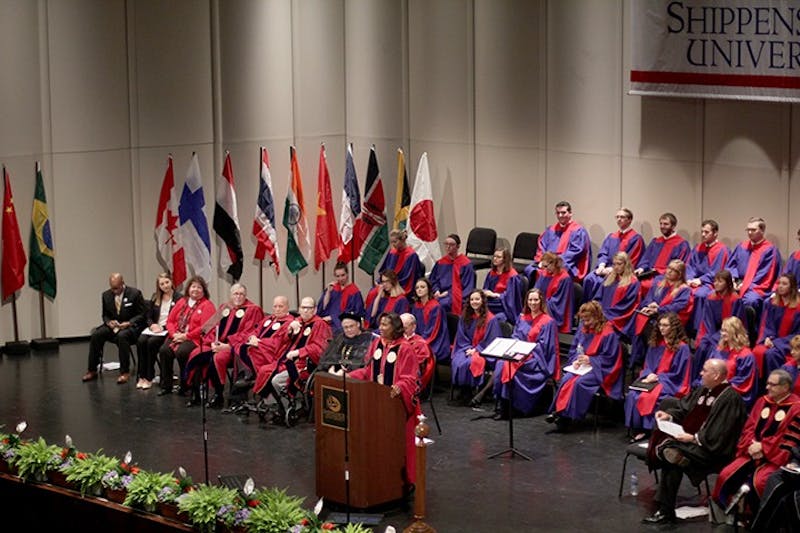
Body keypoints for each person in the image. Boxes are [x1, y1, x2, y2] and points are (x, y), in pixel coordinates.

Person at [641, 358, 747, 525]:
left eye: (705, 371)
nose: (700, 373)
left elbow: (721, 433)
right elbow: (684, 408)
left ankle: (666, 511)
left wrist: (693, 438)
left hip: (713, 450)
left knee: (671, 453)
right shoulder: (704, 390)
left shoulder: (730, 398)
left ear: (717, 375)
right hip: (692, 443)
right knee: (671, 455)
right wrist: (669, 415)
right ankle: (666, 509)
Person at [713, 369, 800, 523]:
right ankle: (734, 513)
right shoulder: (762, 401)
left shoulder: (796, 408)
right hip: (751, 451)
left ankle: (759, 519)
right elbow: (749, 427)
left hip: (776, 458)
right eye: (767, 383)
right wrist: (751, 445)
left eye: (772, 385)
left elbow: (790, 440)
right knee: (725, 474)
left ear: (785, 387)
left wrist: (763, 448)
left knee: (760, 482)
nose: (767, 387)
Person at [346, 312, 420, 486]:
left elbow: (411, 378)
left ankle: (398, 481)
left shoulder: (405, 348)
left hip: (396, 405)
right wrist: (350, 376)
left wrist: (400, 387)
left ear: (395, 328)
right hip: (375, 402)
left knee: (396, 446)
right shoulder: (377, 344)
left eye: (385, 325)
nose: (381, 328)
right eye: (380, 324)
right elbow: (369, 371)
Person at [251, 297, 331, 424]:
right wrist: (289, 331)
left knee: (276, 380)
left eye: (308, 308)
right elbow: (281, 341)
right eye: (302, 308)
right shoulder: (297, 321)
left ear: (314, 310)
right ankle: (275, 405)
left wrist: (299, 352)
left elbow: (320, 348)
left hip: (304, 364)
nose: (305, 311)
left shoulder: (319, 324)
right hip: (286, 360)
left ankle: (291, 406)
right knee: (265, 370)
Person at [546, 301, 623, 432]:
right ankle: (559, 412)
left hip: (601, 370)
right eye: (583, 320)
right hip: (584, 366)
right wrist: (576, 360)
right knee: (566, 379)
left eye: (588, 320)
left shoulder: (608, 333)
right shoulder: (583, 329)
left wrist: (591, 360)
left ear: (597, 316)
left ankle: (566, 417)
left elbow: (611, 358)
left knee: (579, 383)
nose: (585, 323)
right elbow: (575, 349)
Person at [623, 312, 692, 441]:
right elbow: (647, 364)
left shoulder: (682, 348)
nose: (662, 328)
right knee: (633, 394)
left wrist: (658, 378)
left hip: (671, 382)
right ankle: (638, 428)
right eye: (660, 325)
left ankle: (649, 430)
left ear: (674, 327)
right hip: (652, 379)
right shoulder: (656, 343)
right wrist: (648, 374)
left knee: (648, 396)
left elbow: (679, 373)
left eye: (666, 325)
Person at [493, 288, 559, 420]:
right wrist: (516, 347)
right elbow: (515, 336)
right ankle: (504, 405)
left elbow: (545, 346)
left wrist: (527, 351)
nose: (533, 303)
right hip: (520, 353)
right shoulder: (522, 317)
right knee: (501, 364)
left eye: (536, 300)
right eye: (530, 300)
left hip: (536, 358)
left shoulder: (548, 322)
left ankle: (515, 408)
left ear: (541, 301)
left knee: (510, 367)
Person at [196, 283, 263, 408]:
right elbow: (209, 327)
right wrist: (212, 342)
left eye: (241, 294)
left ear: (245, 295)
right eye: (235, 294)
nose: (238, 297)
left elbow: (249, 333)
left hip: (236, 349)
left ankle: (218, 394)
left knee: (218, 358)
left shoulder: (253, 310)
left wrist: (228, 345)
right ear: (230, 295)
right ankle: (196, 392)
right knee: (197, 353)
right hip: (218, 345)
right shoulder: (224, 307)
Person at [156, 276, 216, 400]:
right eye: (193, 286)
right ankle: (166, 385)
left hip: (194, 338)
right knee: (164, 351)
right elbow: (170, 321)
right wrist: (174, 335)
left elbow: (204, 328)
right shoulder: (182, 301)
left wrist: (186, 336)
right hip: (177, 335)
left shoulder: (207, 305)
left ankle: (186, 384)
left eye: (199, 287)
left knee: (182, 352)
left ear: (204, 290)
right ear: (188, 288)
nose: (196, 290)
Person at [627, 259, 693, 368]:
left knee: (651, 328)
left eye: (673, 270)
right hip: (654, 316)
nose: (669, 271)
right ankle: (640, 360)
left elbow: (677, 307)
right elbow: (648, 298)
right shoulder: (659, 283)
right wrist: (648, 306)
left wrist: (659, 309)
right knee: (638, 320)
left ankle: (649, 363)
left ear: (680, 274)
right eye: (669, 268)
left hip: (669, 320)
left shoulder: (683, 289)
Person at [82, 272, 146, 384]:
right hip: (114, 326)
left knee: (122, 336)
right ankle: (92, 369)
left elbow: (142, 314)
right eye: (112, 288)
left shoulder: (135, 293)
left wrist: (129, 323)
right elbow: (105, 315)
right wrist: (108, 322)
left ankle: (124, 372)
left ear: (122, 283)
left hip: (130, 328)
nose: (114, 291)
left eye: (116, 288)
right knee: (96, 335)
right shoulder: (106, 295)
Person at [230, 295, 294, 393]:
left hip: (272, 353)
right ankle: (247, 374)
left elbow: (278, 342)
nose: (277, 309)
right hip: (259, 347)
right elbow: (256, 330)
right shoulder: (268, 319)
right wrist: (252, 337)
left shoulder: (289, 323)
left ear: (287, 307)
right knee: (238, 347)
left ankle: (253, 377)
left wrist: (260, 342)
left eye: (280, 306)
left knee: (249, 350)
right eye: (275, 306)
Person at [450, 289, 503, 404]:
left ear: (483, 301)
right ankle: (464, 390)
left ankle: (469, 392)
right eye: (472, 299)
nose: (474, 302)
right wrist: (466, 348)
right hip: (465, 347)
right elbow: (461, 336)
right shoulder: (465, 317)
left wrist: (476, 350)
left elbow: (492, 341)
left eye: (477, 299)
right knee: (457, 360)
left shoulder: (491, 319)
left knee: (469, 362)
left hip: (483, 351)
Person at [582, 208, 645, 302]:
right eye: (617, 217)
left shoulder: (636, 238)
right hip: (606, 269)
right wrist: (601, 265)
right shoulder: (612, 236)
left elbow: (632, 259)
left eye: (622, 217)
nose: (619, 219)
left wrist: (613, 269)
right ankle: (589, 309)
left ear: (629, 220)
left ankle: (600, 309)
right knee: (589, 279)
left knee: (605, 283)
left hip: (621, 272)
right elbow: (604, 252)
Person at [692, 270, 746, 379]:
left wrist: (721, 335)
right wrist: (713, 337)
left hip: (731, 333)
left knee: (714, 348)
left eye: (720, 281)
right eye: (715, 281)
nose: (716, 284)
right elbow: (708, 321)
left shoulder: (735, 299)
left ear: (727, 283)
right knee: (703, 347)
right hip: (711, 333)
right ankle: (699, 379)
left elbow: (737, 322)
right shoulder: (711, 298)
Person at [726, 216, 782, 314]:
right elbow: (731, 265)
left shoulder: (769, 250)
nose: (750, 232)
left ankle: (748, 329)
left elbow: (765, 275)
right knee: (718, 295)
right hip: (737, 284)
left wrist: (745, 285)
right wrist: (732, 280)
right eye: (748, 230)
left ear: (762, 231)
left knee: (750, 301)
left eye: (753, 230)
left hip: (756, 287)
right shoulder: (741, 246)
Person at [526, 200, 592, 283]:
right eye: (558, 213)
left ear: (570, 213)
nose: (560, 215)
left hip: (566, 264)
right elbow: (541, 247)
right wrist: (543, 261)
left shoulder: (577, 231)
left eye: (563, 213)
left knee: (554, 273)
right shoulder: (551, 230)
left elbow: (575, 252)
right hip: (547, 263)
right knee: (530, 269)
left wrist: (554, 263)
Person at [135, 273, 181, 390]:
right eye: (162, 284)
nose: (165, 286)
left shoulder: (179, 298)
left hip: (167, 330)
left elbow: (178, 320)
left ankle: (149, 377)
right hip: (154, 329)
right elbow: (148, 316)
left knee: (151, 343)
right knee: (141, 341)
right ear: (158, 286)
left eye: (167, 282)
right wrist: (152, 325)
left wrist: (163, 328)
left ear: (171, 282)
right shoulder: (156, 297)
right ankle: (142, 375)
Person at [705, 316, 759, 409]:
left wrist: (721, 387)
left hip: (731, 395)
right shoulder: (718, 350)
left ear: (735, 332)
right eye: (722, 330)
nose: (722, 334)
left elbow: (743, 381)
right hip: (713, 389)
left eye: (726, 331)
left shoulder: (746, 355)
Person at [753, 273, 800, 378]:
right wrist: (768, 338)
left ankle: (777, 383)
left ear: (792, 287)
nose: (780, 286)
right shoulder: (772, 303)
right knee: (757, 351)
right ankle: (760, 388)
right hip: (772, 340)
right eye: (779, 283)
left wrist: (776, 343)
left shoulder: (798, 308)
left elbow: (798, 334)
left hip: (789, 344)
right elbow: (765, 325)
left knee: (771, 355)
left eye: (784, 284)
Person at [634, 212, 690, 299]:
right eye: (661, 224)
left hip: (666, 276)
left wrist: (660, 271)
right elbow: (646, 258)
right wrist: (641, 268)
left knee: (653, 285)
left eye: (666, 224)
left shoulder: (681, 244)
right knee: (632, 282)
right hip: (649, 274)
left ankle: (653, 310)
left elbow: (680, 266)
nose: (662, 226)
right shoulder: (656, 242)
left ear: (673, 226)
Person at [685, 219, 730, 321]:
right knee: (682, 291)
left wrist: (700, 280)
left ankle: (698, 329)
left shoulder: (722, 250)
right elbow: (690, 266)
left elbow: (717, 271)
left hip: (711, 283)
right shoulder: (698, 247)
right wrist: (689, 279)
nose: (703, 234)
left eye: (706, 232)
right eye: (702, 232)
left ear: (715, 233)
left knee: (699, 295)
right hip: (694, 281)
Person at [429, 233, 476, 315]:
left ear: (458, 246)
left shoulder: (466, 264)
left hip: (457, 296)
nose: (448, 247)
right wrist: (436, 290)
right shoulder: (440, 263)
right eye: (446, 244)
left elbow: (468, 287)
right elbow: (433, 280)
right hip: (440, 295)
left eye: (451, 244)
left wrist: (449, 294)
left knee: (440, 305)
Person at [596, 251, 641, 334]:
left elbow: (626, 306)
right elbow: (598, 297)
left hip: (617, 320)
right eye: (614, 264)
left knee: (604, 330)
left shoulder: (633, 282)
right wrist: (597, 311)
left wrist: (606, 315)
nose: (616, 267)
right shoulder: (609, 278)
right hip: (602, 314)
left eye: (619, 264)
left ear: (626, 264)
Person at [316, 262, 364, 334]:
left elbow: (357, 312)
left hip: (342, 324)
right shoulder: (333, 288)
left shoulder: (354, 291)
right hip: (327, 321)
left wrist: (333, 317)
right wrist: (328, 292)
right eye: (338, 276)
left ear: (347, 274)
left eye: (343, 275)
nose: (340, 278)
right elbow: (322, 307)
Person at [410, 278, 450, 363]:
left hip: (435, 342)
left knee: (416, 354)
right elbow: (413, 326)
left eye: (422, 287)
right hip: (419, 340)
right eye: (417, 288)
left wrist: (419, 342)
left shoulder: (435, 307)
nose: (419, 289)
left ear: (428, 289)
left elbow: (433, 331)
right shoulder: (416, 306)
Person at [533, 252, 574, 333]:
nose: (544, 269)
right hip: (541, 305)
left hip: (553, 309)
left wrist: (541, 305)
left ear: (553, 264)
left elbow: (559, 301)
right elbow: (536, 290)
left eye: (546, 266)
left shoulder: (564, 279)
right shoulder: (544, 273)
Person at [483, 247, 523, 325]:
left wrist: (496, 295)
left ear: (505, 259)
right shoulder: (492, 273)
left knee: (496, 319)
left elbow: (511, 298)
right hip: (491, 302)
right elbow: (485, 288)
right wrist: (485, 292)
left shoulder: (512, 276)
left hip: (503, 307)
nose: (495, 259)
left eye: (498, 257)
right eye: (494, 256)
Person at [378, 229, 424, 294]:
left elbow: (409, 278)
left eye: (395, 242)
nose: (393, 244)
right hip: (389, 285)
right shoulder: (392, 252)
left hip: (402, 287)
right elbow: (384, 270)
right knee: (374, 292)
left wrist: (393, 285)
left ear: (402, 240)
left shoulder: (411, 255)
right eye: (391, 242)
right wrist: (381, 282)